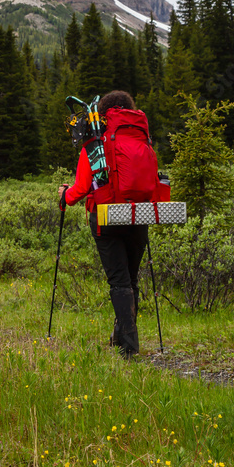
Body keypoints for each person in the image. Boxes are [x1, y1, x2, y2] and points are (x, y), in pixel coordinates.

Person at [58, 89, 154, 358]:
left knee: (119, 282)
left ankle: (129, 349)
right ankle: (120, 338)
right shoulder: (141, 136)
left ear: (103, 112)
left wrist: (64, 196)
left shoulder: (95, 141)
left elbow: (80, 189)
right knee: (130, 279)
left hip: (106, 216)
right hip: (140, 214)